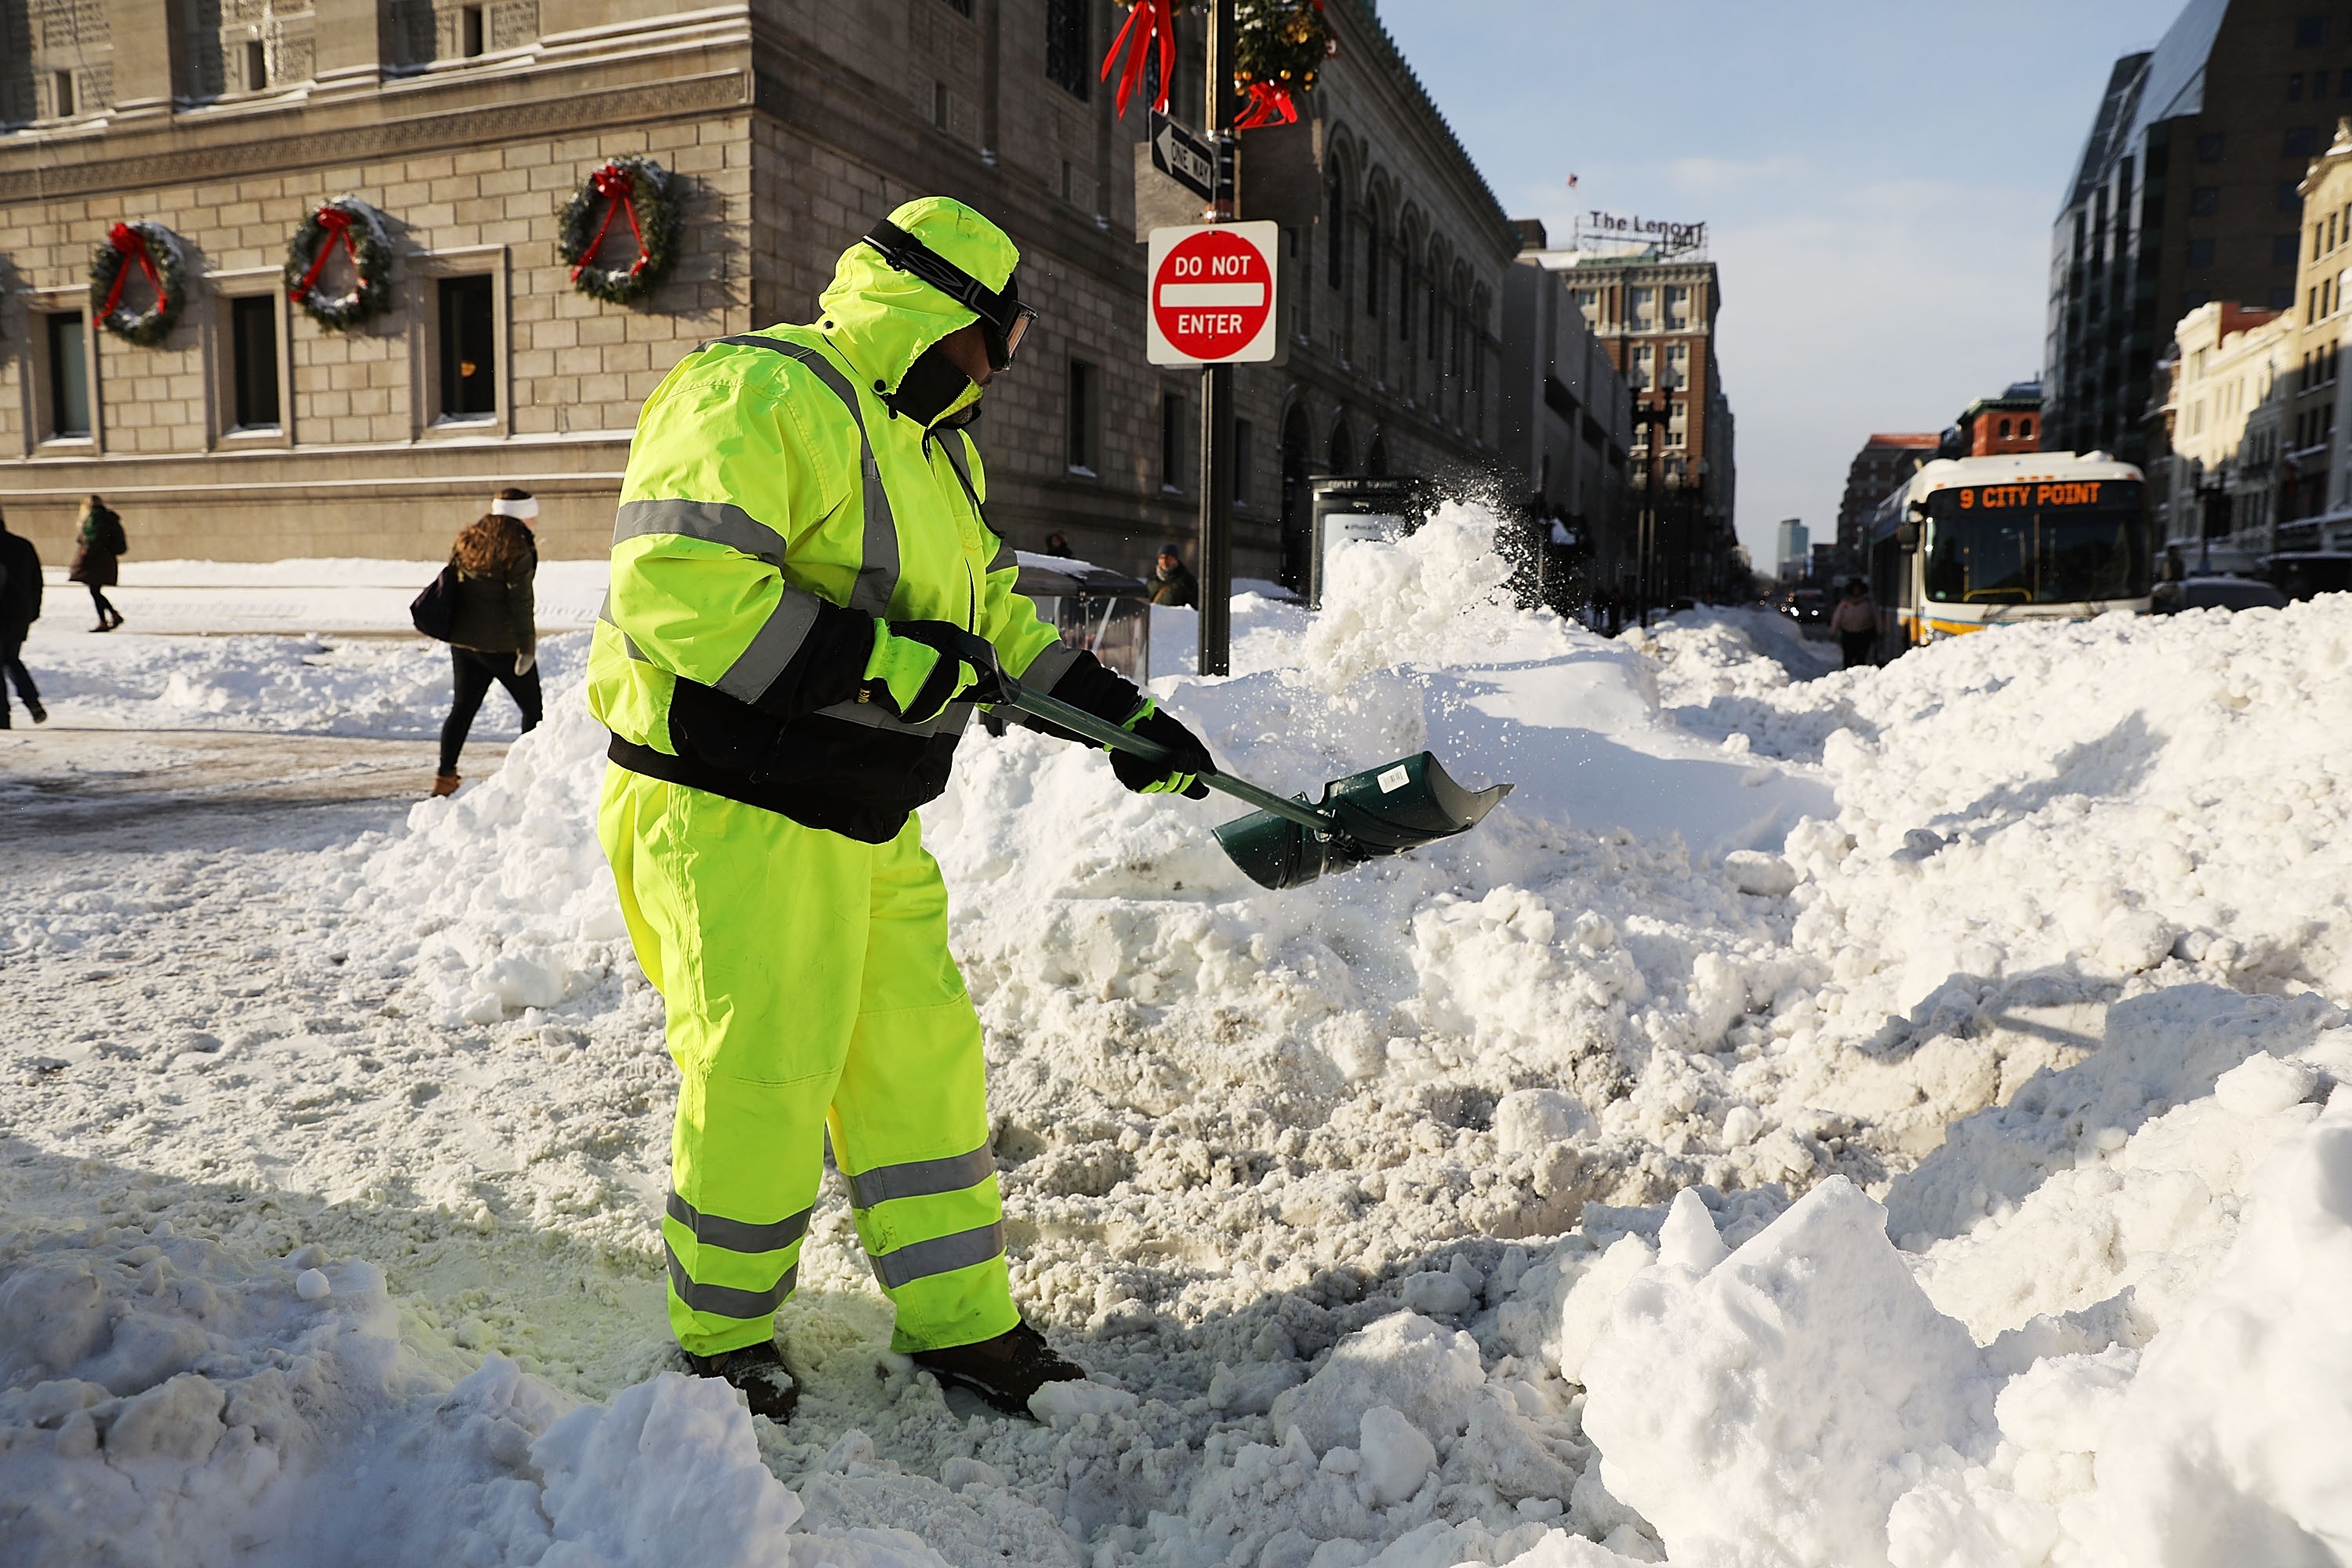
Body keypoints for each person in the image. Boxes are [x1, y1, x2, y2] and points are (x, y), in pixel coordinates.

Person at [586, 197, 1216, 1422]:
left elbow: (991, 626)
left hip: (866, 816)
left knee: (921, 1069)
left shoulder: (937, 450)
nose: (997, 371)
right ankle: (721, 1338)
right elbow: (675, 589)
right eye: (995, 343)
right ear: (933, 312)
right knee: (763, 1071)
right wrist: (876, 659)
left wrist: (1116, 719)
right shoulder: (758, 394)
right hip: (731, 809)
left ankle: (962, 1323)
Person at [432, 488, 542, 797]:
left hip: (465, 644)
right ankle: (529, 775)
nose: (535, 519)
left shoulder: (470, 537)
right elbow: (521, 601)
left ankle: (444, 778)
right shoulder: (517, 546)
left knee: (462, 709)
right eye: (532, 513)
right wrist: (527, 648)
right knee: (533, 710)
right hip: (502, 646)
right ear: (521, 514)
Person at [0, 508, 46, 727]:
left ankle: (2, 716)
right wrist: (32, 612)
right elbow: (36, 583)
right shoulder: (22, 546)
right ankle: (32, 702)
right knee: (11, 659)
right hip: (18, 616)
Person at [68, 495, 125, 632]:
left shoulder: (95, 518)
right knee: (95, 591)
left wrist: (85, 555)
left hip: (96, 560)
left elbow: (93, 540)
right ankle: (112, 615)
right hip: (104, 560)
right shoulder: (106, 517)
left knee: (94, 591)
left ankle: (104, 620)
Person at [1830, 577, 1880, 669]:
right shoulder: (1845, 603)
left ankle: (1859, 673)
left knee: (1861, 657)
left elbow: (1876, 616)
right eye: (1854, 589)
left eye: (1858, 589)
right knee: (1848, 657)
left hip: (1864, 633)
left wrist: (1880, 629)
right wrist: (1833, 632)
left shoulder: (1868, 603)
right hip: (1848, 634)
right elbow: (1837, 617)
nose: (1856, 591)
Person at [1148, 543, 1197, 607]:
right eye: (1161, 558)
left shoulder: (1187, 581)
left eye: (1168, 558)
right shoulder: (1151, 580)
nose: (1165, 561)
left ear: (1176, 560)